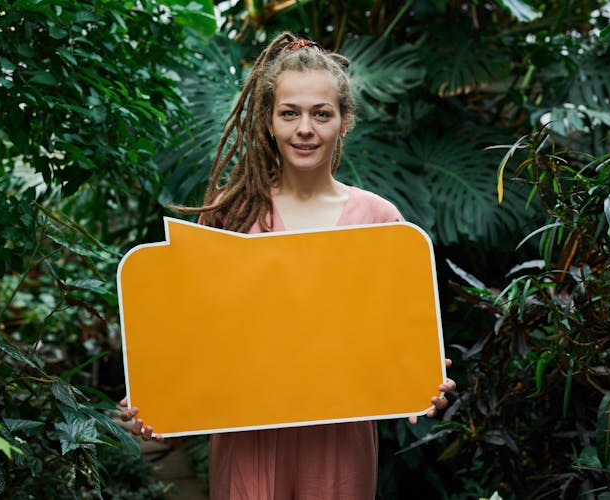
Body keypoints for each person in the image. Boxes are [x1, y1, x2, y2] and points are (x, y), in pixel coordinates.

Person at [120, 32, 456, 499]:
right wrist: (155, 394)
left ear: (344, 121)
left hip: (338, 440)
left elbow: (395, 329)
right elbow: (195, 329)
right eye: (290, 113)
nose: (305, 128)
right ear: (268, 121)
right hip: (248, 438)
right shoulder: (232, 211)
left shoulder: (379, 220)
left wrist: (421, 374)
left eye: (321, 114)